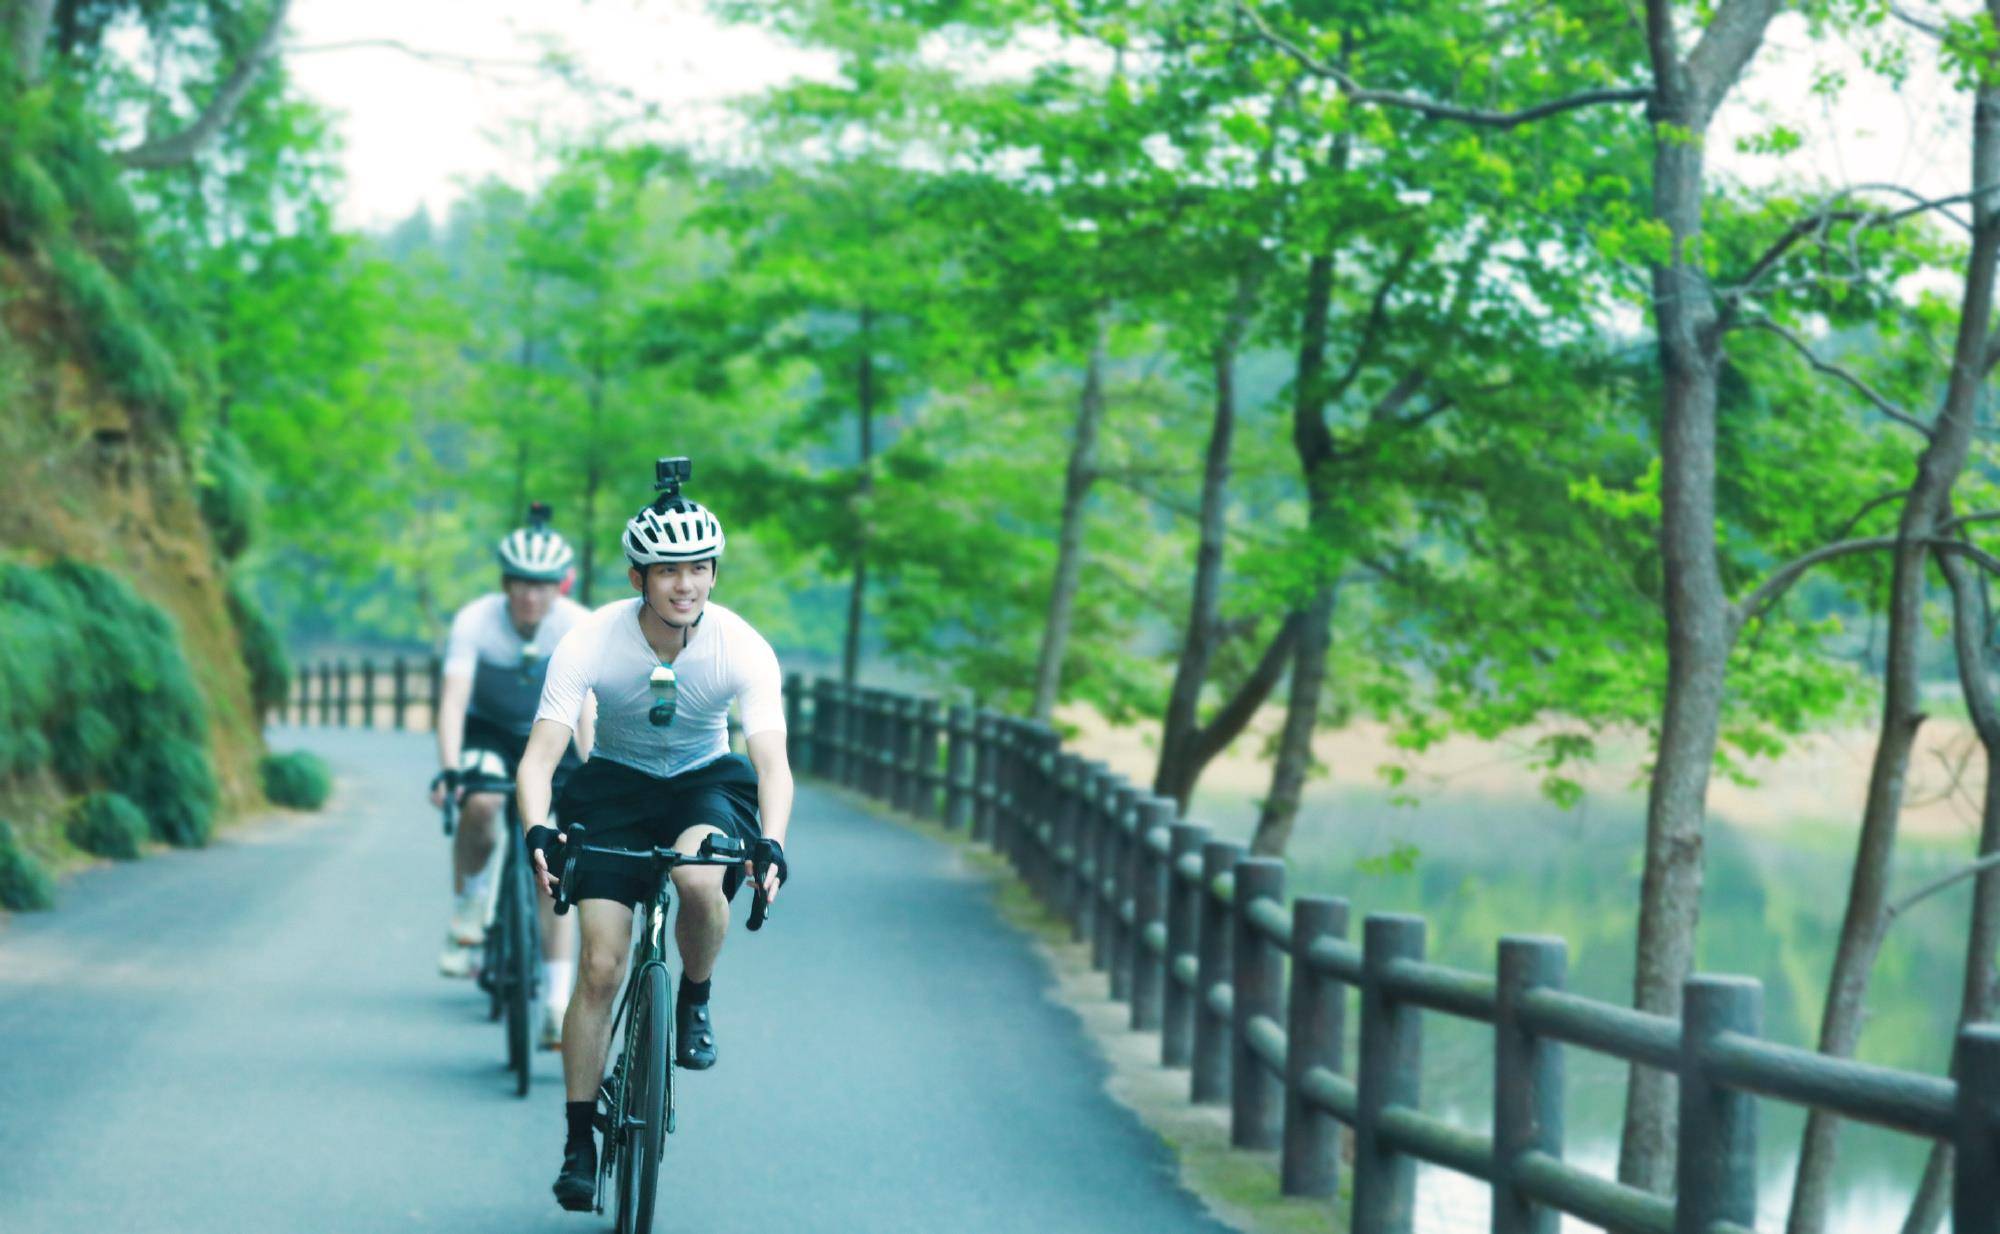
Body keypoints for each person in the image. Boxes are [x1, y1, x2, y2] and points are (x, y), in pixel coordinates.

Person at [514, 462, 792, 1213]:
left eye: (700, 568)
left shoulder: (741, 646)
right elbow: (540, 758)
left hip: (704, 781)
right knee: (600, 965)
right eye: (670, 569)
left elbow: (772, 762)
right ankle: (579, 1140)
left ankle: (693, 998)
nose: (687, 585)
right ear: (640, 575)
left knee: (701, 877)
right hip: (612, 787)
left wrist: (771, 841)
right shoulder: (592, 641)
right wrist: (540, 826)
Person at [429, 503, 593, 1048]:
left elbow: (588, 711)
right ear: (505, 583)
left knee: (555, 861)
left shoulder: (576, 625)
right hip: (489, 734)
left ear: (559, 586)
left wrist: (596, 772)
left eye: (542, 585)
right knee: (481, 804)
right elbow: (453, 702)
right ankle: (469, 906)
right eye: (521, 583)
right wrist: (450, 769)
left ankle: (554, 1003)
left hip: (554, 737)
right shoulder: (476, 621)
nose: (530, 596)